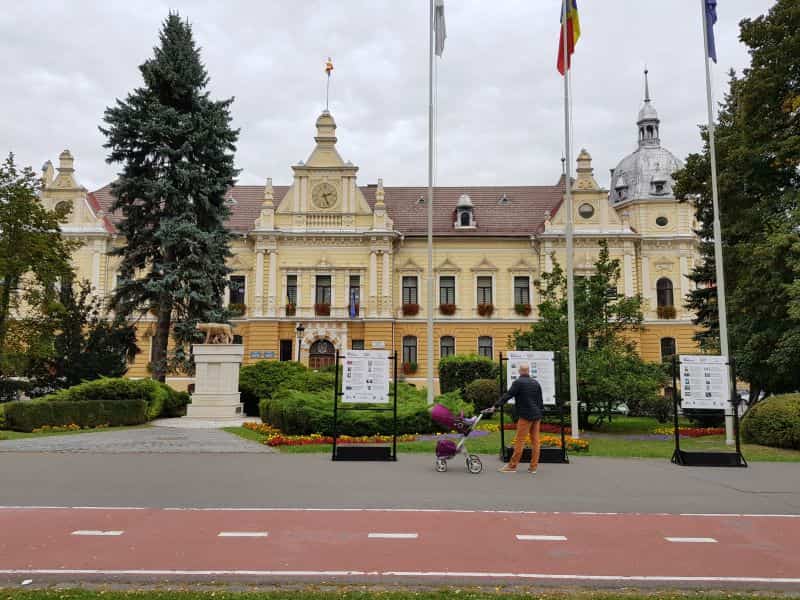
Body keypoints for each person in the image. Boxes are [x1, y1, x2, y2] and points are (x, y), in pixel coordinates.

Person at [490, 364, 544, 474]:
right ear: (528, 371)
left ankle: (512, 466)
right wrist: (539, 413)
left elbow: (508, 395)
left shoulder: (518, 382)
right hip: (537, 415)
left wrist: (495, 406)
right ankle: (533, 467)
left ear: (520, 371)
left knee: (520, 441)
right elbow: (540, 401)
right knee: (536, 441)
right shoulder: (535, 383)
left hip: (525, 416)